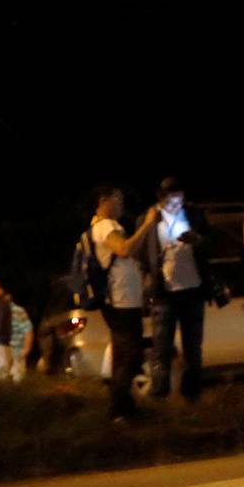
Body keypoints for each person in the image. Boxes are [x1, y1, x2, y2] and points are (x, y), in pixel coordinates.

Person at [86, 187, 158, 420]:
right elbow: (124, 249)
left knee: (122, 354)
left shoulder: (104, 225)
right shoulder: (105, 225)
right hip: (120, 300)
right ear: (103, 200)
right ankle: (119, 408)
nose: (122, 204)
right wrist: (147, 224)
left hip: (123, 299)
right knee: (131, 355)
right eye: (118, 199)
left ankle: (123, 409)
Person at [139, 177, 213, 401]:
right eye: (172, 200)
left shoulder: (194, 214)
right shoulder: (149, 219)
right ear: (160, 199)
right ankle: (160, 394)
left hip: (193, 289)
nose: (176, 204)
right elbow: (141, 254)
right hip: (164, 293)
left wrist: (197, 239)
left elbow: (211, 243)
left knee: (193, 347)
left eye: (179, 199)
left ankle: (192, 395)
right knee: (161, 346)